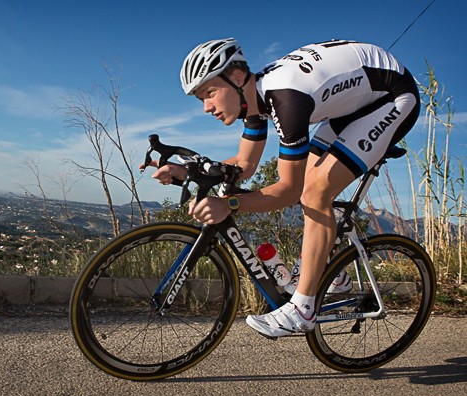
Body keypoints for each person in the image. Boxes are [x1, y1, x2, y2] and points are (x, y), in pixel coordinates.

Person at [144, 38, 420, 338]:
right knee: (310, 185)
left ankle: (303, 309)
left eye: (209, 93)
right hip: (354, 104)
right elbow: (245, 166)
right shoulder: (254, 100)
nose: (207, 107)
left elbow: (288, 190)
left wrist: (230, 205)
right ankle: (329, 267)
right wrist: (186, 172)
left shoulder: (287, 98)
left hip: (393, 97)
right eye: (201, 100)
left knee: (314, 192)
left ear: (236, 78)